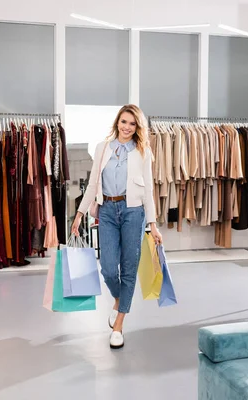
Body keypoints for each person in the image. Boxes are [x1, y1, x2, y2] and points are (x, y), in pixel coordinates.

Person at [72, 104, 162, 349]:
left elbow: (149, 191)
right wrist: (80, 214)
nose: (127, 127)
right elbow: (92, 185)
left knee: (129, 269)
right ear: (117, 123)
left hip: (133, 212)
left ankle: (119, 324)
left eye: (132, 124)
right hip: (108, 211)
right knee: (109, 269)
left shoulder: (143, 151)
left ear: (137, 127)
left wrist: (152, 224)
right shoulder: (103, 148)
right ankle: (119, 300)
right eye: (124, 122)